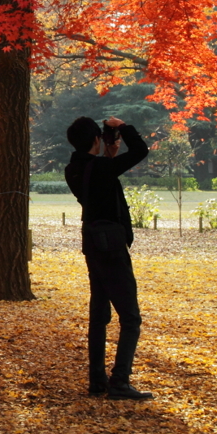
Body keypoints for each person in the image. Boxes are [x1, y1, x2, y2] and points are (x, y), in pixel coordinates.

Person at [64, 116, 152, 400]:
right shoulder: (101, 168)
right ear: (95, 140)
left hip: (92, 245)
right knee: (130, 317)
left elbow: (98, 174)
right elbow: (140, 151)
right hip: (112, 247)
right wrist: (124, 126)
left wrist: (107, 153)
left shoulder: (73, 169)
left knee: (99, 315)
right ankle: (120, 381)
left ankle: (97, 379)